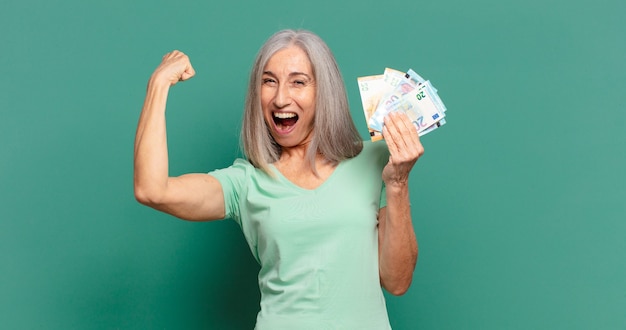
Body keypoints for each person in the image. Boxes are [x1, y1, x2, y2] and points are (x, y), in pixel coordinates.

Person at [134, 29, 424, 329]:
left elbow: (397, 281)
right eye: (269, 81)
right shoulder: (245, 182)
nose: (281, 97)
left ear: (325, 91)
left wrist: (398, 184)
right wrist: (158, 85)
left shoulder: (374, 161)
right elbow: (152, 190)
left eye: (298, 82)